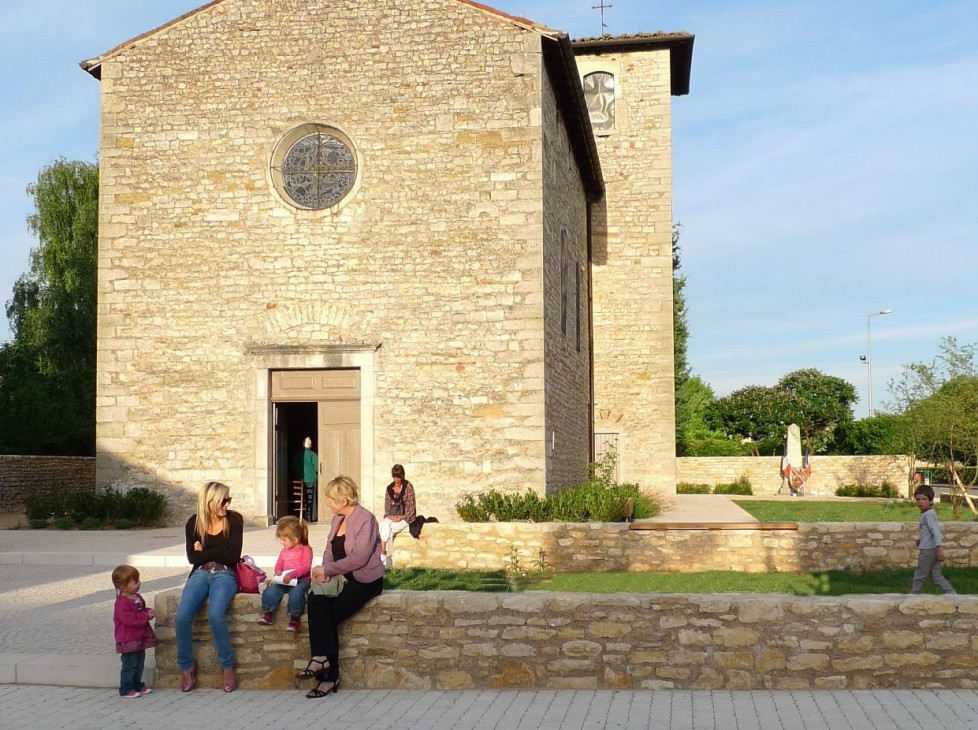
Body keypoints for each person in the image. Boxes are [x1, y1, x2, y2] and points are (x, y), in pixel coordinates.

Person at [299, 475, 385, 699]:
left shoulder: (366, 519)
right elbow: (329, 550)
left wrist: (328, 571)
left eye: (331, 499)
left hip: (363, 580)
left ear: (344, 500)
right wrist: (327, 571)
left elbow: (359, 558)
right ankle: (322, 662)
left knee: (327, 616)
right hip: (339, 577)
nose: (327, 503)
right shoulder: (337, 519)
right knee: (316, 600)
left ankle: (326, 673)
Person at [175, 481, 243, 693]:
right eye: (223, 500)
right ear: (210, 502)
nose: (227, 504)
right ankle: (186, 666)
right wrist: (218, 548)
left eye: (228, 500)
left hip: (225, 573)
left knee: (215, 614)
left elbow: (233, 555)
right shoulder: (194, 523)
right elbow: (191, 558)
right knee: (181, 617)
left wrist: (204, 552)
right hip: (200, 573)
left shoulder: (235, 519)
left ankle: (227, 666)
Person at [259, 515, 313, 632]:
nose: (282, 543)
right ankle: (268, 612)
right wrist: (278, 571)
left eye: (284, 540)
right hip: (284, 580)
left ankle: (294, 617)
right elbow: (279, 564)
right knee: (272, 591)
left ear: (295, 539)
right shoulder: (284, 551)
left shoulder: (306, 550)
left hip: (300, 580)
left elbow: (306, 567)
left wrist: (292, 575)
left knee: (296, 594)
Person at [112, 564, 156, 699]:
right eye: (135, 582)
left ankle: (137, 684)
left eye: (138, 581)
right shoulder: (122, 603)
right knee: (129, 664)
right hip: (128, 638)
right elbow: (130, 619)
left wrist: (147, 611)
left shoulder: (136, 597)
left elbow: (140, 610)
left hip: (138, 637)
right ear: (123, 586)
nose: (139, 584)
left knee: (139, 663)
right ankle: (126, 688)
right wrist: (145, 617)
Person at [910, 484, 956, 595]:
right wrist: (921, 539)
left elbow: (935, 531)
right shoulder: (927, 513)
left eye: (924, 499)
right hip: (931, 548)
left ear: (931, 501)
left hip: (927, 551)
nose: (920, 502)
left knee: (920, 575)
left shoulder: (928, 515)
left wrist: (939, 548)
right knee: (936, 575)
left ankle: (913, 595)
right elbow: (930, 531)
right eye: (918, 499)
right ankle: (951, 593)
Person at [379, 463, 417, 567]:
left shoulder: (408, 486)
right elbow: (387, 506)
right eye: (394, 476)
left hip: (405, 517)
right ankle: (383, 552)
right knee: (383, 524)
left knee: (390, 530)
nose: (396, 479)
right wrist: (391, 516)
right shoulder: (389, 488)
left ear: (402, 476)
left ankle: (386, 557)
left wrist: (402, 517)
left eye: (398, 476)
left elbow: (411, 505)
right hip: (392, 515)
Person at [303, 437, 319, 522]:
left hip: (300, 480)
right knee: (311, 499)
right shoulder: (313, 454)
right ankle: (311, 517)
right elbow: (317, 468)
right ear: (310, 444)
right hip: (310, 479)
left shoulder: (298, 454)